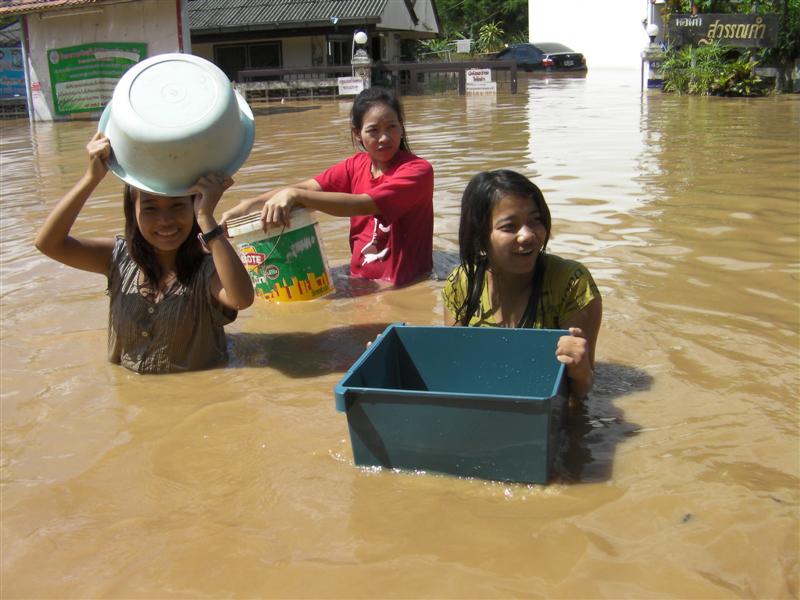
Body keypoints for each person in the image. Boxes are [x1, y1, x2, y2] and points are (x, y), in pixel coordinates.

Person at [35, 132, 255, 374]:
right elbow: (48, 244)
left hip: (194, 400)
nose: (165, 220)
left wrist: (207, 218)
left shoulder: (207, 267)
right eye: (150, 208)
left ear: (193, 208)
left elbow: (241, 299)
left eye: (177, 205)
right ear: (133, 213)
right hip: (128, 406)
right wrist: (91, 178)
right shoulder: (118, 258)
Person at [221, 86, 434, 287]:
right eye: (373, 130)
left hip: (401, 286)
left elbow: (362, 205)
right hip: (359, 282)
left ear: (402, 128)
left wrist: (295, 195)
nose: (384, 138)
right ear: (357, 134)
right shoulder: (355, 165)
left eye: (391, 127)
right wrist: (247, 206)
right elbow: (308, 188)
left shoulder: (417, 171)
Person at [442, 170, 602, 404]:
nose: (527, 235)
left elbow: (581, 393)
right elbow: (455, 370)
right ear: (479, 236)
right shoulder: (463, 284)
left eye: (536, 221)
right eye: (509, 227)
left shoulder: (571, 283)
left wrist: (579, 369)